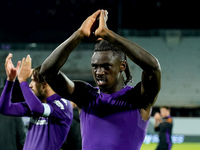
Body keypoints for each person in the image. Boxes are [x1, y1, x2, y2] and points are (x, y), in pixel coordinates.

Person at [40, 9, 161, 150]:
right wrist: (78, 35)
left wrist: (109, 35)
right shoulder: (86, 96)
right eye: (95, 67)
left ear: (122, 66)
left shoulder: (138, 98)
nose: (99, 72)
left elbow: (153, 68)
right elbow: (47, 72)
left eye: (106, 66)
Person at [0, 53, 73, 150]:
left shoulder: (62, 105)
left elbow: (37, 109)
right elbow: (5, 108)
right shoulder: (37, 104)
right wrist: (10, 80)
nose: (30, 85)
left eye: (33, 81)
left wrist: (22, 81)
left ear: (44, 84)